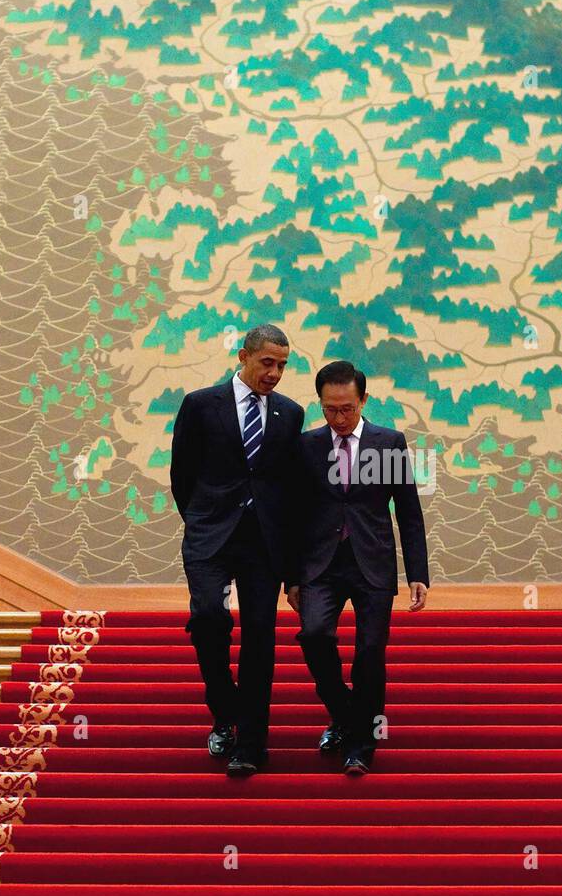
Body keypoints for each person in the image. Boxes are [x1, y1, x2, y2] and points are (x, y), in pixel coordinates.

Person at [170, 325, 304, 776]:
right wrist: (202, 520)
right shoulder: (200, 405)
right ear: (244, 356)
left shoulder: (291, 413)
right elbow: (181, 475)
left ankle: (251, 742)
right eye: (268, 363)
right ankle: (224, 707)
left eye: (283, 365)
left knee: (261, 638)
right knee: (209, 617)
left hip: (264, 542)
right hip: (210, 535)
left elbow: (288, 487)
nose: (275, 373)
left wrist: (293, 562)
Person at [292, 360, 429, 775]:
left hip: (373, 562)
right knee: (314, 635)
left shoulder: (388, 443)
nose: (338, 418)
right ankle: (345, 713)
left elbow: (408, 510)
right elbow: (291, 516)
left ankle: (361, 743)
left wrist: (417, 572)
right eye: (329, 409)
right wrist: (292, 575)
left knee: (370, 652)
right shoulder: (307, 446)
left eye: (346, 409)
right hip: (320, 565)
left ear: (363, 400)